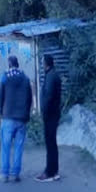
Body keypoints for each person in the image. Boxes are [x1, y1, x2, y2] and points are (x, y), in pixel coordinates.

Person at [0, 55, 33, 183]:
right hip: (22, 118)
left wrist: (0, 113)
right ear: (17, 64)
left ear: (9, 64)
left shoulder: (5, 76)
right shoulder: (25, 77)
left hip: (8, 117)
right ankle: (15, 174)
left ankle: (4, 174)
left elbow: (0, 96)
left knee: (5, 146)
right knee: (18, 147)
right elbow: (30, 98)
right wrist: (27, 114)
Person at [36, 54, 62, 182]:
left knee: (50, 143)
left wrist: (44, 112)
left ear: (46, 63)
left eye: (42, 62)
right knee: (52, 143)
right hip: (53, 114)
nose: (41, 64)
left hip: (50, 115)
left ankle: (49, 173)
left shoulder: (51, 76)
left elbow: (49, 97)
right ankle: (55, 171)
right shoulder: (53, 74)